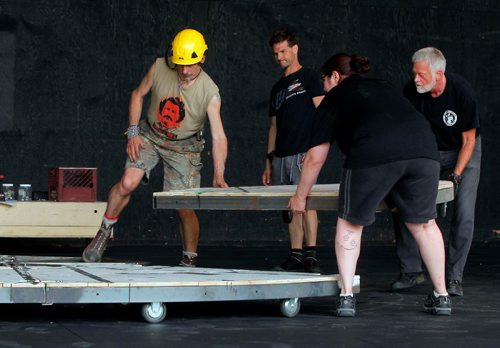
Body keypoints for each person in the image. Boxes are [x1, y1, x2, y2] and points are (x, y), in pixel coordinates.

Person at [289, 53, 452, 317]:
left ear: (334, 76)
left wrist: (300, 197)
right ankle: (442, 296)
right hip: (424, 149)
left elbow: (315, 157)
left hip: (373, 152)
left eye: (324, 80)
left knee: (351, 223)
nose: (323, 86)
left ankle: (346, 297)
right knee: (424, 224)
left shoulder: (334, 97)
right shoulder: (384, 86)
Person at [82, 28, 229, 266]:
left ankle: (189, 259)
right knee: (128, 182)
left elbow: (219, 135)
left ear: (202, 58)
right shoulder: (161, 66)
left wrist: (219, 173)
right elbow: (138, 94)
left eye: (190, 65)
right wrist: (132, 133)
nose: (184, 70)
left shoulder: (210, 92)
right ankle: (104, 232)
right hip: (150, 135)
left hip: (184, 147)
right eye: (180, 64)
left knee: (184, 205)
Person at [391, 47, 481, 296]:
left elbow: (469, 141)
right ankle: (411, 270)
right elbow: (406, 133)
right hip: (427, 152)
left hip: (462, 150)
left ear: (438, 74)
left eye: (421, 75)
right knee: (404, 204)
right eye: (414, 74)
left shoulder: (462, 92)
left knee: (464, 214)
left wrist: (456, 175)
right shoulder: (411, 92)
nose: (416, 79)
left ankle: (454, 277)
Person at [262, 28, 324, 273]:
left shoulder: (309, 77)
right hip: (281, 156)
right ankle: (296, 255)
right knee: (290, 206)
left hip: (304, 154)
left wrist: (315, 150)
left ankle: (312, 255)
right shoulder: (277, 88)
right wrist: (269, 161)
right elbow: (273, 126)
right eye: (276, 53)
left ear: (295, 48)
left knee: (306, 202)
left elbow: (323, 112)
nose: (279, 57)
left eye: (283, 51)